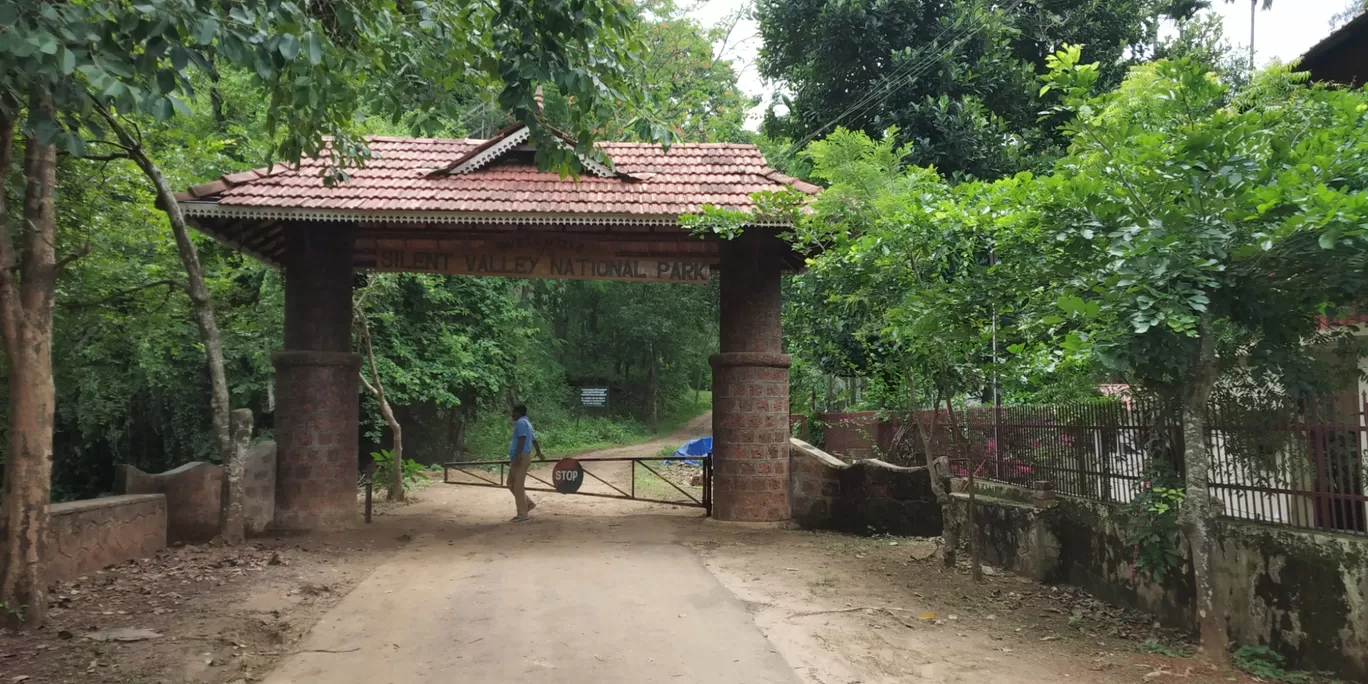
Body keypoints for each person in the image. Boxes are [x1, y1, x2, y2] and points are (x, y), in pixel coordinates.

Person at [507, 404, 543, 522]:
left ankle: (522, 514)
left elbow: (522, 439)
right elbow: (534, 440)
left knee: (517, 485)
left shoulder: (521, 423)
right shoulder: (527, 424)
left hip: (521, 456)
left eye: (514, 412)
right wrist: (538, 452)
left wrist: (518, 455)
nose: (512, 414)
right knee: (510, 483)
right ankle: (527, 504)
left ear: (520, 413)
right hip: (520, 456)